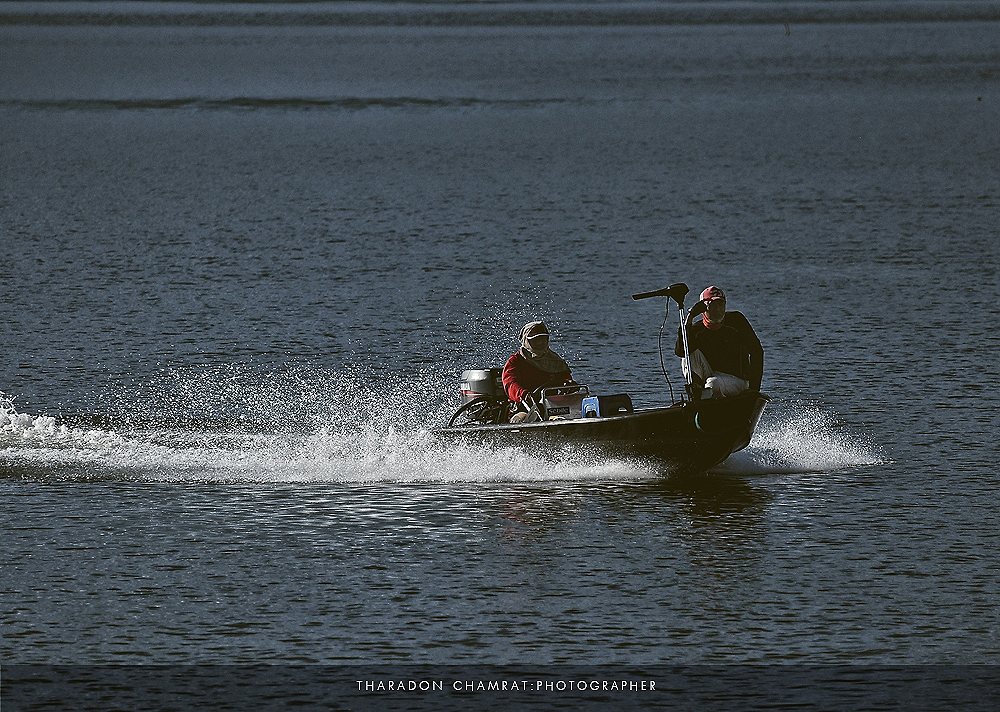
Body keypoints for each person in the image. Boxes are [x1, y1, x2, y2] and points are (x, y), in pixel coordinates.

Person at [675, 286, 763, 398]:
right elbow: (681, 351)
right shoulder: (696, 330)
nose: (718, 309)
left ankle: (706, 396)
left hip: (737, 381)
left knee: (713, 383)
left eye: (721, 305)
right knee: (687, 353)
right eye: (713, 305)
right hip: (709, 377)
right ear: (703, 308)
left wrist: (754, 390)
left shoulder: (736, 321)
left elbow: (757, 351)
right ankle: (697, 395)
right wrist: (689, 318)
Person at [502, 321, 574, 421]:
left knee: (559, 417)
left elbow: (566, 378)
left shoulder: (556, 361)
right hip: (523, 407)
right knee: (522, 419)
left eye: (542, 339)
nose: (540, 343)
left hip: (553, 406)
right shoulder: (516, 361)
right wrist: (523, 394)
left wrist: (569, 385)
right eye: (535, 340)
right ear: (526, 341)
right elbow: (510, 384)